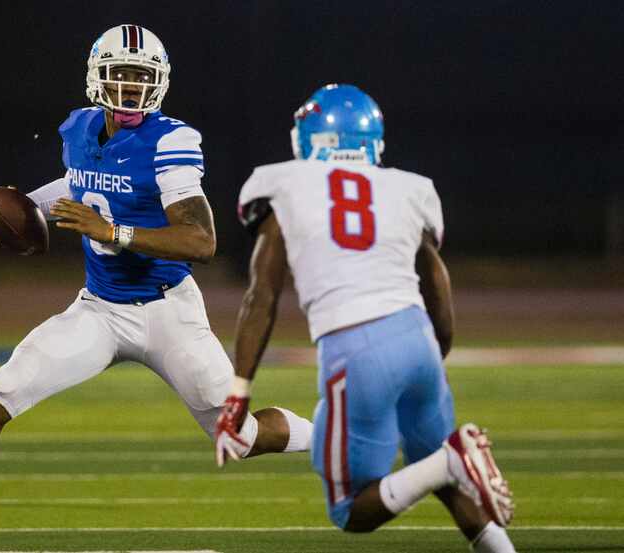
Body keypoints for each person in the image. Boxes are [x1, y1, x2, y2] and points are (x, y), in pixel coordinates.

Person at [0, 25, 312, 553]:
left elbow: (201, 241)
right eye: (120, 77)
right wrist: (30, 206)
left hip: (169, 312)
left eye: (141, 79)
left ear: (159, 84)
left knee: (238, 440)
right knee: (3, 391)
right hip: (100, 311)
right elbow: (82, 183)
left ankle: (333, 436)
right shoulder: (80, 129)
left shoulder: (170, 140)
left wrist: (115, 232)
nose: (129, 90)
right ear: (96, 78)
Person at [213, 84, 516, 552]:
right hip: (417, 336)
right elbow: (437, 282)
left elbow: (262, 297)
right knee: (433, 468)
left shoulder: (286, 183)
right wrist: (436, 354)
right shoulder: (407, 188)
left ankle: (451, 461)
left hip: (354, 347)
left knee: (351, 510)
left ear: (312, 136)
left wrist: (238, 394)